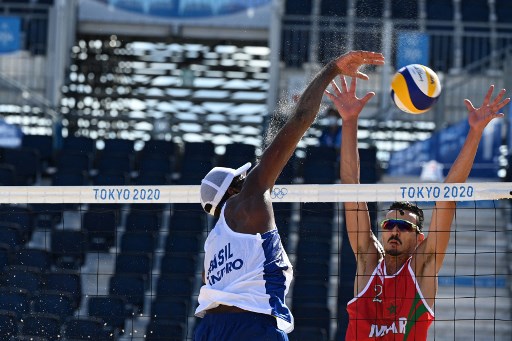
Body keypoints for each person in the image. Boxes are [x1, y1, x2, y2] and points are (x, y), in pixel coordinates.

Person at [194, 50, 385, 341]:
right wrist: (331, 69)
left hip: (207, 330)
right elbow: (302, 118)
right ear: (232, 191)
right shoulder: (247, 200)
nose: (248, 178)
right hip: (252, 327)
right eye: (241, 179)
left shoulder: (212, 243)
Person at [325, 78, 509, 340]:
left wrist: (476, 131)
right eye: (389, 225)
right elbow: (351, 189)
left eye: (404, 226)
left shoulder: (422, 266)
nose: (395, 231)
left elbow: (448, 198)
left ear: (418, 238)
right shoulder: (368, 262)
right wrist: (350, 121)